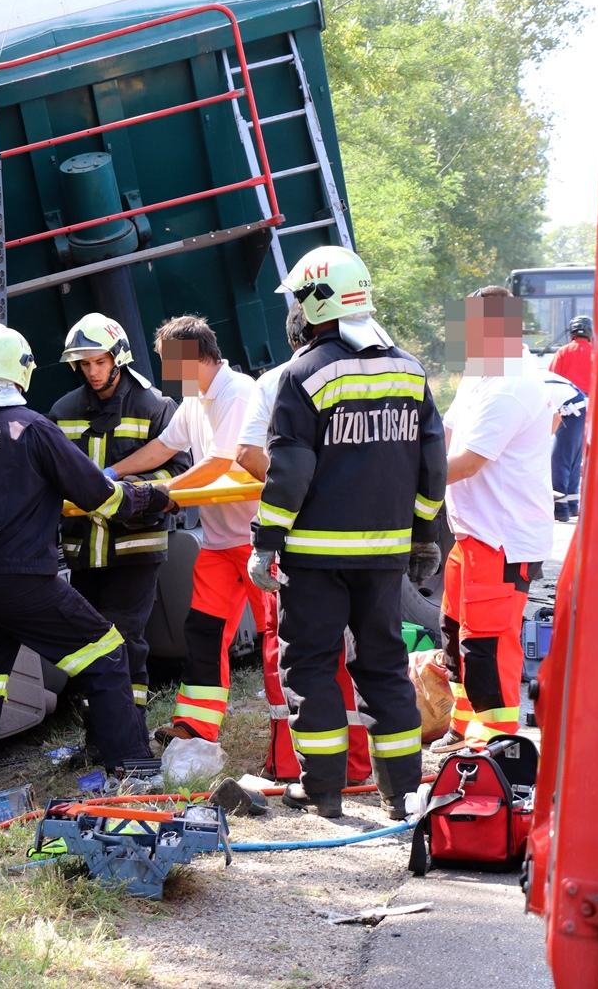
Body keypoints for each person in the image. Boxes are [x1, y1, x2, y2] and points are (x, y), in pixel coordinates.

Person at [0, 324, 174, 827]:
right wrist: (152, 497)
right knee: (107, 652)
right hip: (20, 580)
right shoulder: (32, 427)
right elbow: (100, 495)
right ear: (23, 373)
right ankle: (135, 776)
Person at [248, 245, 446, 819]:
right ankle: (402, 793)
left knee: (310, 667)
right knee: (383, 665)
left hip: (314, 559)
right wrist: (424, 533)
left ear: (317, 302)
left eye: (298, 300)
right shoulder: (410, 370)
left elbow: (289, 470)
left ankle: (323, 791)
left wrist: (266, 541)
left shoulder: (302, 374)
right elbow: (432, 464)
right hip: (385, 556)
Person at [235, 302, 371, 785]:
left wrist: (300, 497)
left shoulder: (279, 379)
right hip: (369, 538)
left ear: (296, 336)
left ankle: (300, 767)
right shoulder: (380, 372)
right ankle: (361, 766)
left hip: (302, 542)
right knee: (362, 652)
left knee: (296, 654)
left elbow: (249, 454)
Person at [113, 316, 262, 747]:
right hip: (219, 543)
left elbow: (218, 463)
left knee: (278, 639)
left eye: (170, 362)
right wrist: (111, 474)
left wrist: (160, 492)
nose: (166, 372)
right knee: (203, 631)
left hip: (258, 540)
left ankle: (291, 729)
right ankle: (195, 727)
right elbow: (164, 447)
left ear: (196, 355)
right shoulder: (195, 401)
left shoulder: (238, 393)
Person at [427, 290, 554, 752]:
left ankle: (497, 744)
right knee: (456, 635)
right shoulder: (481, 372)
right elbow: (447, 436)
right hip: (471, 533)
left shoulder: (512, 384)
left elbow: (465, 463)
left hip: (502, 538)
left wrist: (401, 479)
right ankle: (465, 729)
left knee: (488, 645)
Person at [47, 313, 189, 716]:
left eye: (100, 362)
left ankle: (130, 728)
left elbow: (180, 475)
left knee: (124, 636)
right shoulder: (62, 410)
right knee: (90, 643)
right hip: (82, 550)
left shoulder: (155, 406)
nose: (92, 372)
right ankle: (100, 730)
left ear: (118, 357)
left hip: (135, 545)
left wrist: (126, 490)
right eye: (85, 364)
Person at [548, 315, 593, 520]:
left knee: (560, 459)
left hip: (568, 408)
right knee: (576, 458)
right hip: (590, 409)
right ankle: (573, 504)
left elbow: (550, 378)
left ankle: (560, 508)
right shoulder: (596, 352)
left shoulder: (563, 352)